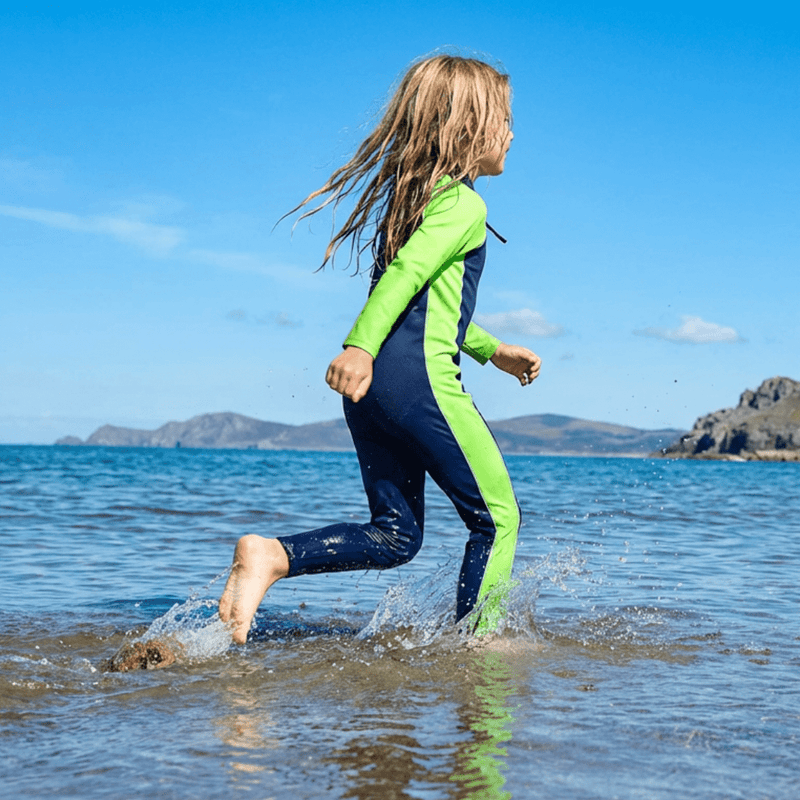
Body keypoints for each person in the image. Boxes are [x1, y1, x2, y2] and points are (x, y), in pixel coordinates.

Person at [219, 53, 541, 645]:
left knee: (397, 536)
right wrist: (359, 345)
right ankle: (478, 651)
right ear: (467, 128)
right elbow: (406, 277)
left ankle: (272, 557)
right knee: (497, 520)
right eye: (504, 119)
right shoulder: (465, 204)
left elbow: (427, 304)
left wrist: (493, 350)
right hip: (415, 384)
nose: (513, 133)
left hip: (375, 392)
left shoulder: (419, 199)